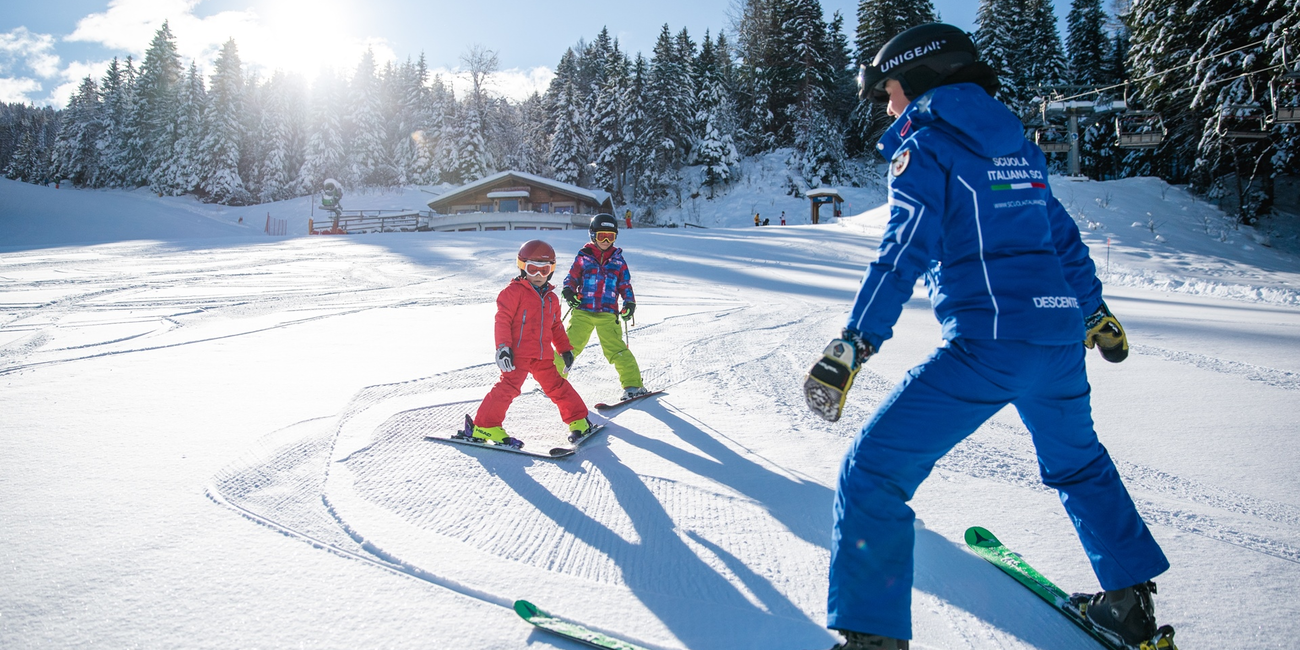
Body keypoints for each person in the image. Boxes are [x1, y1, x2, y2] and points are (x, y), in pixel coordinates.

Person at [803, 23, 1170, 650]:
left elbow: (903, 251)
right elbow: (1060, 237)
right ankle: (1127, 606)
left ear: (918, 80)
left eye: (890, 91)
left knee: (873, 472)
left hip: (989, 346)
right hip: (1056, 345)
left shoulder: (929, 143)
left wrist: (855, 343)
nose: (889, 106)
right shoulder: (1017, 148)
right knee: (1079, 464)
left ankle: (871, 638)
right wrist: (1093, 314)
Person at [468, 240, 592, 449]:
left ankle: (579, 419)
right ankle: (485, 425)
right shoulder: (513, 292)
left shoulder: (552, 298)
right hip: (518, 355)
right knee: (508, 387)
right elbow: (503, 320)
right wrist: (503, 348)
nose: (538, 275)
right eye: (532, 269)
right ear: (522, 267)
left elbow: (556, 327)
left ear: (551, 271)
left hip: (543, 356)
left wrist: (565, 349)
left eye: (544, 270)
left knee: (558, 386)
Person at [554, 214, 647, 402]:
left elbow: (625, 285)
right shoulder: (583, 258)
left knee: (616, 349)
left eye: (610, 237)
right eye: (602, 236)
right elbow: (570, 279)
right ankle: (553, 381)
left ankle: (633, 385)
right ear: (592, 235)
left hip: (607, 313)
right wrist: (569, 293)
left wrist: (629, 303)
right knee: (568, 346)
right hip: (583, 311)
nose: (605, 241)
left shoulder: (618, 261)